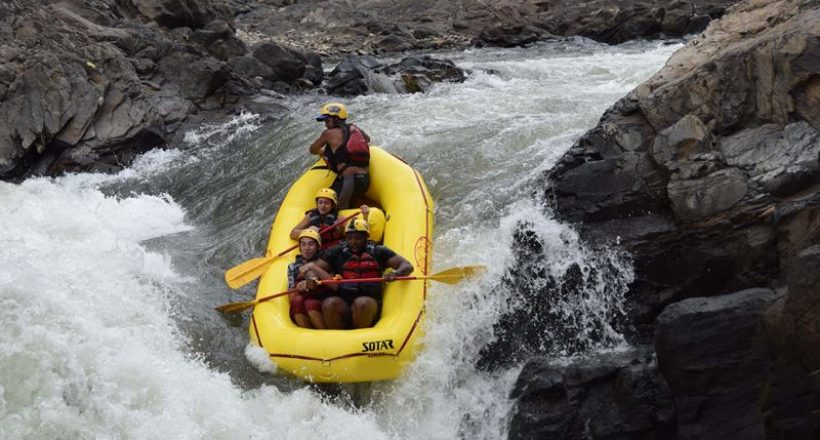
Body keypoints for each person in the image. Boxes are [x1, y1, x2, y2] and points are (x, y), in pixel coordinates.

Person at [315, 219, 414, 329]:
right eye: (350, 238)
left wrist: (396, 274)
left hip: (370, 302)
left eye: (358, 238)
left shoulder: (379, 252)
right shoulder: (335, 252)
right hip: (344, 301)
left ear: (366, 237)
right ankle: (336, 338)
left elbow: (407, 266)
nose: (353, 242)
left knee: (361, 303)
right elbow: (314, 269)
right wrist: (311, 278)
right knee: (329, 303)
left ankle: (359, 337)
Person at [309, 102, 371, 209]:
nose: (325, 124)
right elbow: (367, 139)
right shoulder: (354, 128)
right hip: (365, 180)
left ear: (337, 118)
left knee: (330, 210)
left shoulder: (328, 133)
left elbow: (312, 149)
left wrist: (321, 152)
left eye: (327, 120)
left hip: (349, 181)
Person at [290, 188, 371, 250]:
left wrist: (365, 216)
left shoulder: (338, 218)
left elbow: (359, 231)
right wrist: (309, 231)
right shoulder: (311, 215)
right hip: (318, 250)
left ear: (332, 205)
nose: (322, 206)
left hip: (335, 249)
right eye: (320, 202)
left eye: (326, 203)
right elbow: (293, 233)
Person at [287, 230, 335, 329]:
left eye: (311, 244)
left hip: (325, 298)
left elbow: (334, 286)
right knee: (297, 301)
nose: (307, 248)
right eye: (303, 245)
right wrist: (299, 287)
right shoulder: (293, 267)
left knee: (310, 304)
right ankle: (309, 334)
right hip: (306, 297)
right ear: (299, 248)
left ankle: (325, 334)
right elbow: (291, 297)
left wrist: (314, 274)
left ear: (318, 246)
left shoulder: (326, 260)